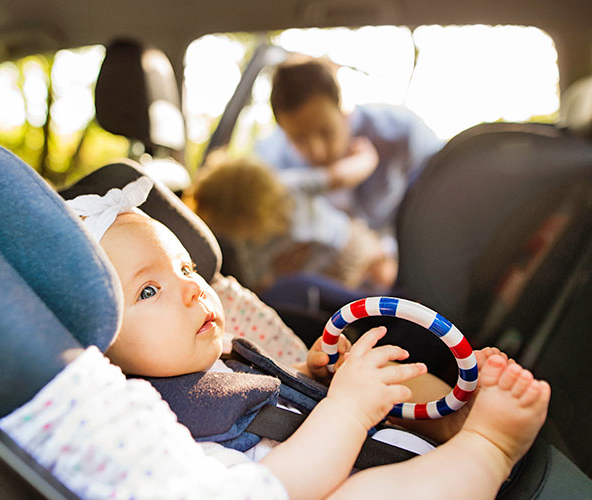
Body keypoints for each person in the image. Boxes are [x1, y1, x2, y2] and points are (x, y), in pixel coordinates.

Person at [67, 177, 551, 500]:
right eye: (149, 290)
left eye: (186, 268)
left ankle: (452, 414)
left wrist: (315, 377)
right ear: (99, 345)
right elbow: (272, 486)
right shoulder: (156, 427)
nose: (195, 288)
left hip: (386, 450)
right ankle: (490, 445)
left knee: (379, 366)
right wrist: (347, 408)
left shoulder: (226, 352)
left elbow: (275, 404)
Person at [256, 56, 444, 239]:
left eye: (325, 131)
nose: (317, 151)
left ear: (342, 107)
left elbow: (443, 197)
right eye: (299, 139)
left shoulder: (400, 132)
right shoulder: (271, 166)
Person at [186, 154, 397, 292]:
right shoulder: (287, 187)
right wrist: (367, 157)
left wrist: (279, 274)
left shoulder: (249, 241)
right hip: (344, 246)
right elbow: (338, 176)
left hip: (332, 267)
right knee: (385, 275)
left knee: (372, 281)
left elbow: (259, 284)